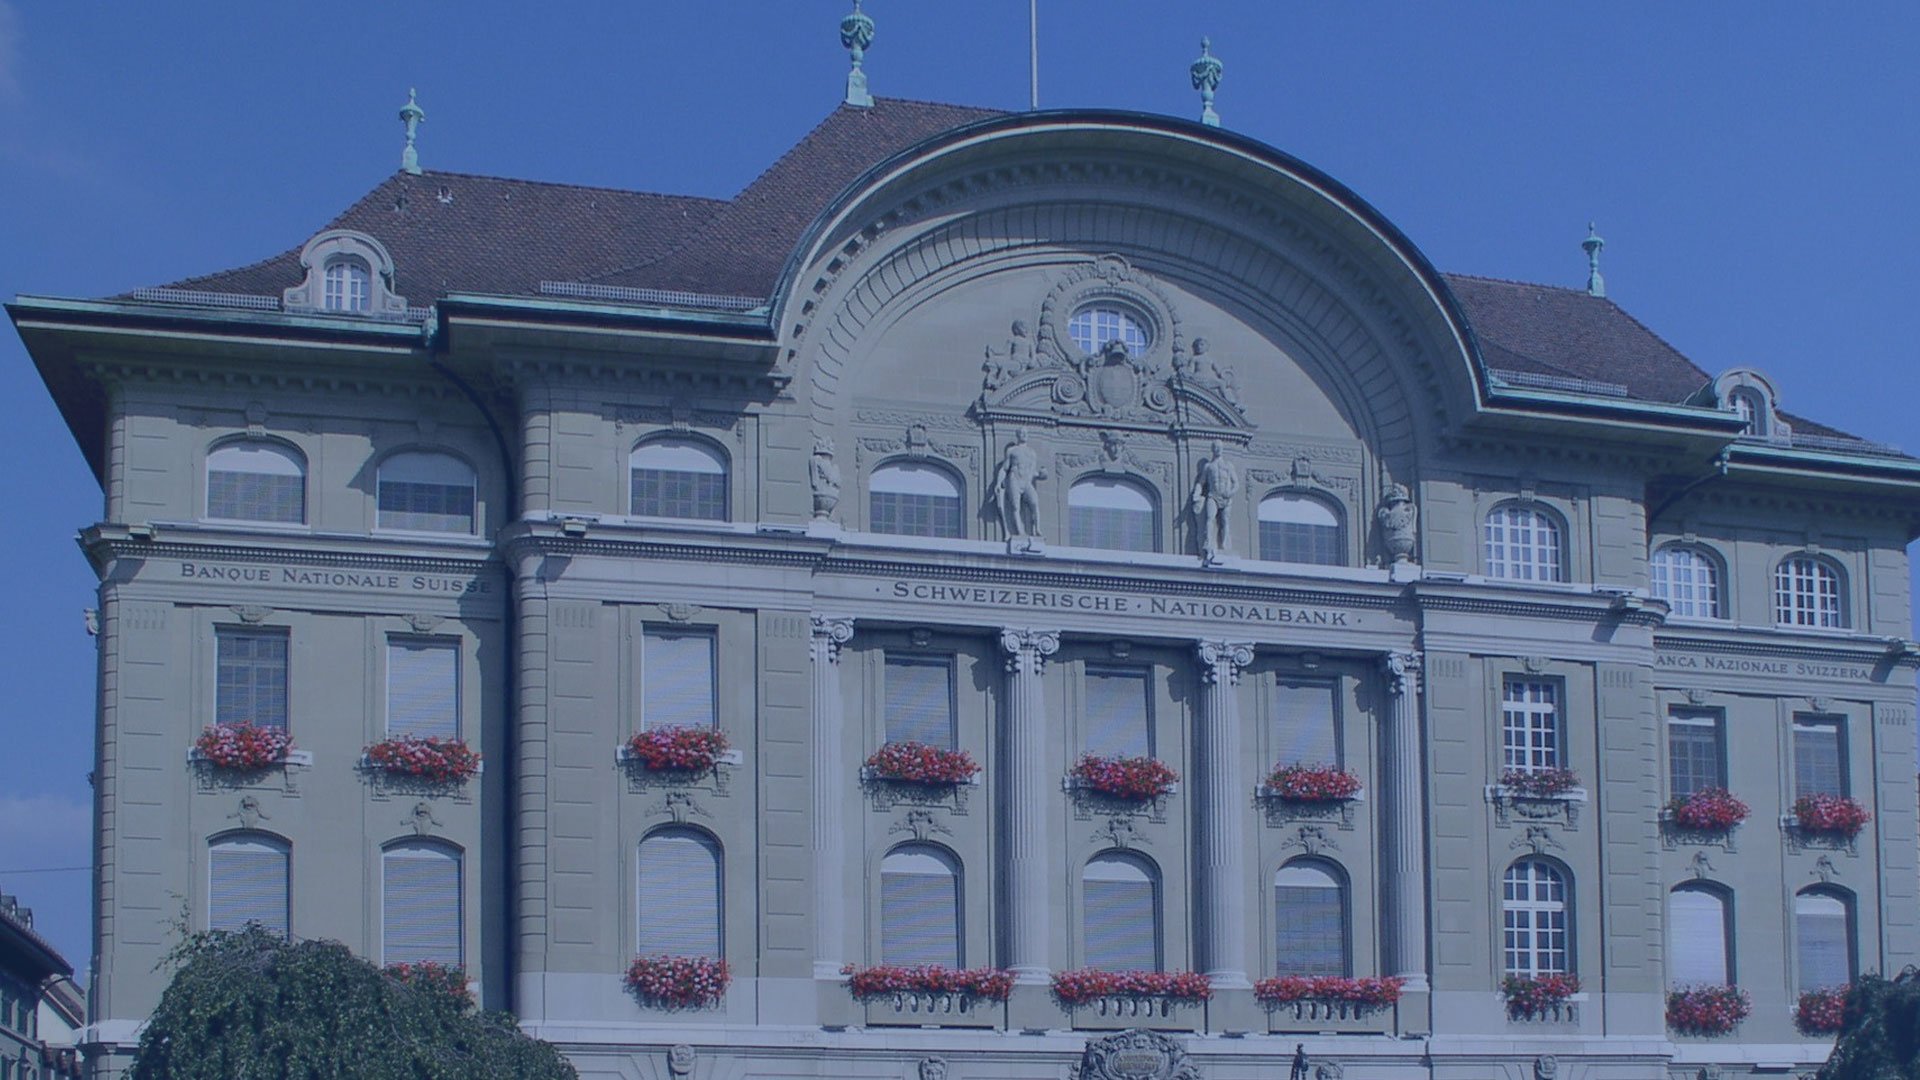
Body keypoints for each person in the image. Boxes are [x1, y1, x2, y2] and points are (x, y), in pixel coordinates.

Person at [988, 428, 1045, 537]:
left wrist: (1041, 475)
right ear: (1017, 435)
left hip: (1027, 482)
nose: (1024, 435)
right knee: (1015, 507)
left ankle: (1037, 529)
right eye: (1022, 433)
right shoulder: (1012, 451)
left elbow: (1033, 472)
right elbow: (1005, 468)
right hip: (1014, 479)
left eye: (1026, 433)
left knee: (1034, 504)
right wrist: (998, 483)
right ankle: (1020, 531)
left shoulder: (1032, 453)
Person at [1189, 439, 1239, 559]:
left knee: (1225, 521)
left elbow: (1236, 483)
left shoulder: (1228, 465)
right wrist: (1197, 493)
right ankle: (1208, 542)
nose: (1218, 449)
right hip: (1213, 495)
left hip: (1226, 497)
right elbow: (1201, 482)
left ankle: (1224, 545)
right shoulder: (1209, 467)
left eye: (1219, 447)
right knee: (1210, 518)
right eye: (1215, 447)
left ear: (1222, 449)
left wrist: (1230, 493)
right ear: (1213, 449)